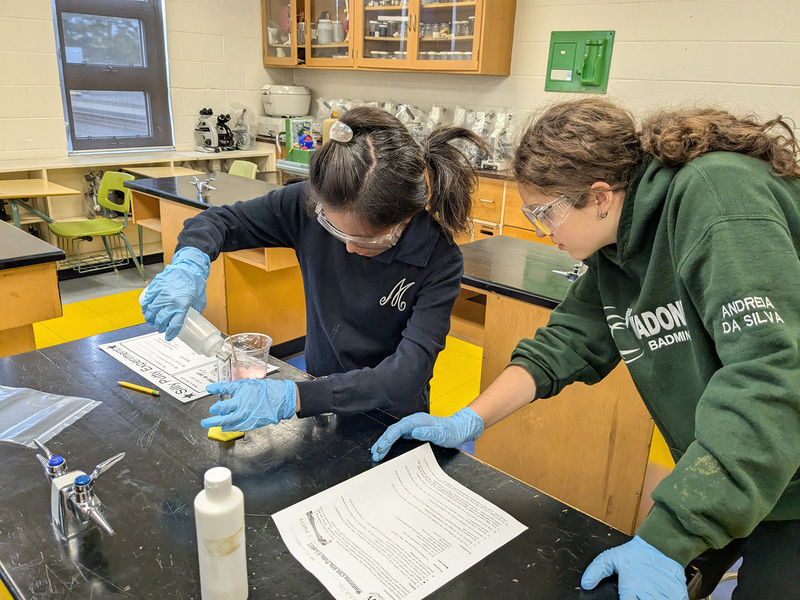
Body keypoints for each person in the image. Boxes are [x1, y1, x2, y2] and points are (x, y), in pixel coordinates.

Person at [371, 98, 800, 599]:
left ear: (599, 195)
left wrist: (668, 539)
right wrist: (468, 419)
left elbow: (772, 379)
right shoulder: (618, 242)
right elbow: (568, 340)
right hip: (735, 463)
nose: (538, 228)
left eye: (543, 212)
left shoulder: (719, 197)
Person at [141, 106, 487, 430]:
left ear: (404, 218)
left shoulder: (438, 259)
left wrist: (294, 397)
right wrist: (190, 262)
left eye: (369, 240)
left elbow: (406, 373)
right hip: (317, 397)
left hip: (389, 414)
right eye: (336, 231)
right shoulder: (305, 205)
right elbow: (221, 221)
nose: (349, 247)